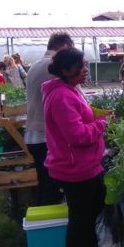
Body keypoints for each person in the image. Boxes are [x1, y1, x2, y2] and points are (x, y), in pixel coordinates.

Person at [42, 47, 108, 247]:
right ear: (68, 70)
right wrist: (102, 124)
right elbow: (78, 136)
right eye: (82, 66)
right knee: (80, 218)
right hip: (75, 169)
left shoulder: (69, 89)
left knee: (91, 211)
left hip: (84, 165)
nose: (85, 71)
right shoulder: (61, 96)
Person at [26, 32, 74, 206]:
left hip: (33, 134)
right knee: (53, 190)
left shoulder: (35, 65)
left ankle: (45, 222)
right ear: (65, 46)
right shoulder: (54, 66)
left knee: (45, 185)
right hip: (46, 136)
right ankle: (52, 226)